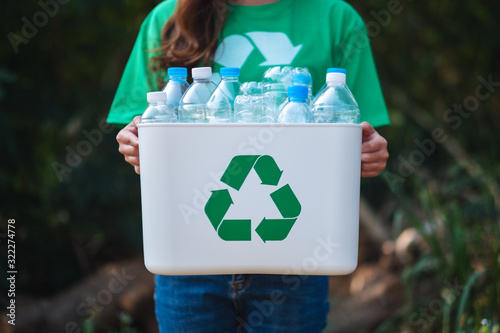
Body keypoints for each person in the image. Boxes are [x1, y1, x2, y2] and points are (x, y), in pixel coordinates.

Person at [108, 0, 390, 331]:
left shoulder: (335, 18)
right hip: (188, 257)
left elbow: (356, 133)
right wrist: (133, 141)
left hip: (296, 263)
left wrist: (370, 151)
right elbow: (143, 126)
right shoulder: (167, 18)